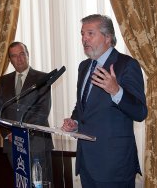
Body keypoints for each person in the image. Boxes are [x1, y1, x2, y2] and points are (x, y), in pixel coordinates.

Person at [61, 14, 148, 188]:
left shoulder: (127, 64)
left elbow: (140, 112)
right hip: (87, 162)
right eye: (82, 34)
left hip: (114, 166)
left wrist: (116, 91)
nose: (84, 39)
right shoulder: (84, 66)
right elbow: (83, 105)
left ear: (108, 37)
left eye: (90, 33)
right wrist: (75, 121)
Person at [0, 41, 54, 185]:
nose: (19, 59)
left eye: (22, 54)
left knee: (39, 183)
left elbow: (42, 111)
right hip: (11, 142)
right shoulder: (4, 80)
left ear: (28, 55)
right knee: (21, 183)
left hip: (36, 142)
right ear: (10, 60)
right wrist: (8, 133)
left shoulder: (42, 78)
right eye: (14, 56)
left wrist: (20, 132)